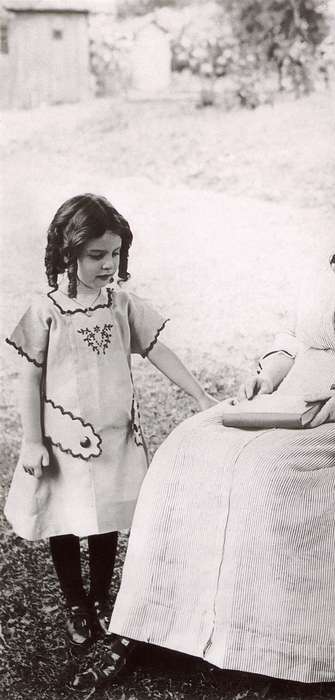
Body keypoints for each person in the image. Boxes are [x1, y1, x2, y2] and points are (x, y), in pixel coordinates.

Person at [73, 100, 335, 689]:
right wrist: (269, 373)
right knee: (187, 445)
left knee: (270, 467)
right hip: (302, 396)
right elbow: (297, 335)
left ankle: (281, 648)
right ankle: (153, 624)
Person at [4, 193, 216, 649]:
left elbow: (157, 349)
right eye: (96, 255)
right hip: (63, 443)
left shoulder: (121, 305)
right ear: (68, 253)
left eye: (115, 254)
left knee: (107, 519)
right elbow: (29, 379)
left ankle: (102, 596)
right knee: (63, 518)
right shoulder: (46, 312)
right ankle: (75, 601)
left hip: (114, 437)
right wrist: (32, 441)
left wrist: (199, 394)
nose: (107, 265)